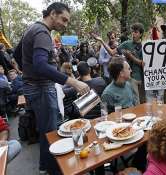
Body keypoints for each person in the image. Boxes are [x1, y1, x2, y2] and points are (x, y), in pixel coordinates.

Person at [21, 3, 89, 174]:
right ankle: (54, 170)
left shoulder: (32, 29)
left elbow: (17, 54)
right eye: (63, 19)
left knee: (45, 131)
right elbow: (41, 65)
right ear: (52, 13)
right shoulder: (42, 32)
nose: (65, 24)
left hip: (34, 87)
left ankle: (45, 166)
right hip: (42, 88)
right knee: (51, 133)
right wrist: (73, 82)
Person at [92, 23, 145, 104]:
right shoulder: (127, 44)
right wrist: (101, 41)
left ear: (141, 34)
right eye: (133, 32)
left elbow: (144, 63)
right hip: (132, 78)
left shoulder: (145, 45)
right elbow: (112, 53)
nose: (133, 34)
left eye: (136, 32)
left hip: (144, 78)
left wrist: (131, 56)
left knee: (144, 103)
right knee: (136, 103)